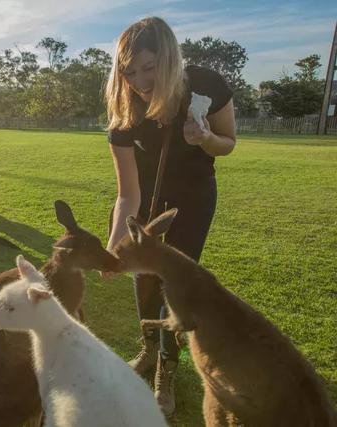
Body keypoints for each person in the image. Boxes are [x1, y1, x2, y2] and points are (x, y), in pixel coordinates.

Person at [102, 17, 236, 416]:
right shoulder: (125, 111)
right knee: (142, 275)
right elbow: (127, 193)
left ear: (170, 59)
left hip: (194, 198)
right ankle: (148, 348)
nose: (140, 81)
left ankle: (167, 367)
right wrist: (113, 247)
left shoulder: (207, 85)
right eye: (129, 72)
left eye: (149, 68)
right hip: (145, 199)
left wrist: (206, 138)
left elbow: (228, 143)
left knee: (173, 283)